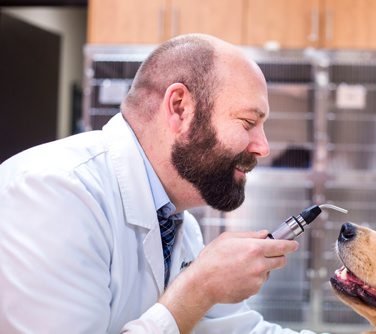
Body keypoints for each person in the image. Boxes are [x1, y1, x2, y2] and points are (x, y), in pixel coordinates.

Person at [0, 34, 318, 334]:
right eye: (248, 122)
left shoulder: (177, 221)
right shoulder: (52, 193)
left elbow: (239, 331)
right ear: (180, 108)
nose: (263, 147)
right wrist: (199, 287)